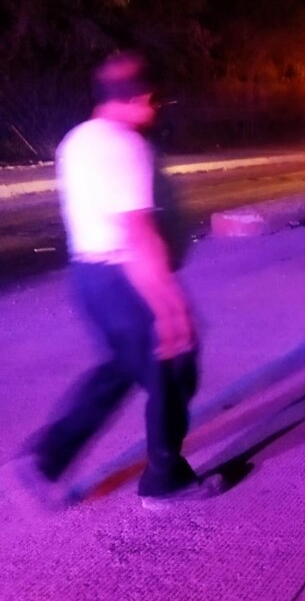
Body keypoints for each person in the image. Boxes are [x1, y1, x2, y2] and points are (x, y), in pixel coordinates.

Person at [3, 51, 221, 511]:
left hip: (89, 277)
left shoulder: (76, 141)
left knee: (122, 367)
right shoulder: (126, 146)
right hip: (126, 279)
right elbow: (137, 233)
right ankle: (165, 481)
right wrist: (169, 307)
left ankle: (47, 457)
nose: (155, 108)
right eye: (153, 99)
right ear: (139, 97)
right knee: (175, 365)